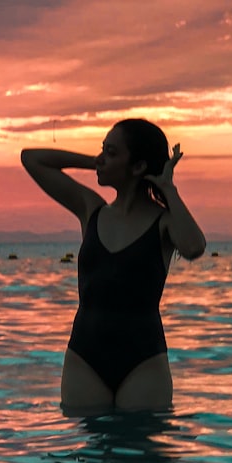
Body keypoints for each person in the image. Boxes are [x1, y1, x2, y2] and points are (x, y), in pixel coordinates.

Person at [21, 118, 206, 414]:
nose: (102, 159)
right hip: (85, 358)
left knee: (141, 454)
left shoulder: (163, 221)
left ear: (137, 166)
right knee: (89, 457)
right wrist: (96, 162)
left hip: (144, 362)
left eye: (112, 152)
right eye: (102, 150)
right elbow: (31, 158)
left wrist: (168, 189)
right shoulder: (91, 209)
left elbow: (194, 247)